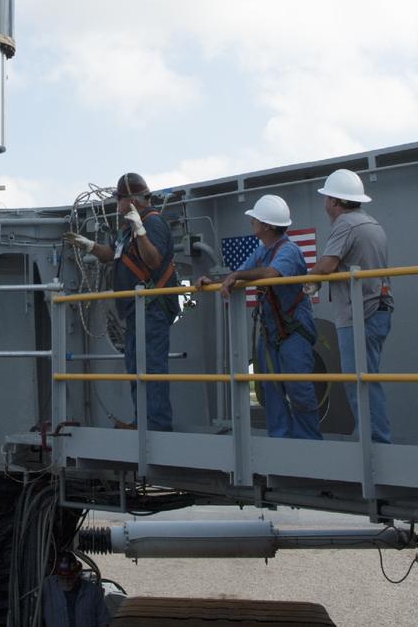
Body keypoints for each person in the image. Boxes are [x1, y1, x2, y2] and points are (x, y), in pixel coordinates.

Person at [196, 195, 322, 440]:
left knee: (299, 387)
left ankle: (310, 446)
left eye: (255, 219)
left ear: (266, 225)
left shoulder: (289, 250)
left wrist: (236, 277)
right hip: (272, 332)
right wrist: (215, 281)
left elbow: (270, 273)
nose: (251, 221)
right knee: (270, 389)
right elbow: (240, 274)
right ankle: (280, 443)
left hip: (294, 332)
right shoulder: (263, 250)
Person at [67, 173, 178, 430]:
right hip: (136, 311)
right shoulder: (127, 228)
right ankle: (143, 424)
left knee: (150, 369)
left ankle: (157, 428)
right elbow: (113, 255)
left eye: (119, 199)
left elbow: (153, 260)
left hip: (152, 309)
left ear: (132, 201)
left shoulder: (153, 224)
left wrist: (140, 231)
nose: (116, 204)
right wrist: (90, 245)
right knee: (137, 370)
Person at [308, 169, 392, 443]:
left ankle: (374, 441)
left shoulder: (345, 225)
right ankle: (372, 436)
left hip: (359, 314)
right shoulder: (372, 224)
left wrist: (308, 279)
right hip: (377, 309)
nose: (324, 204)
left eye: (326, 198)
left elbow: (328, 264)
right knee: (366, 378)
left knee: (359, 380)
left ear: (334, 201)